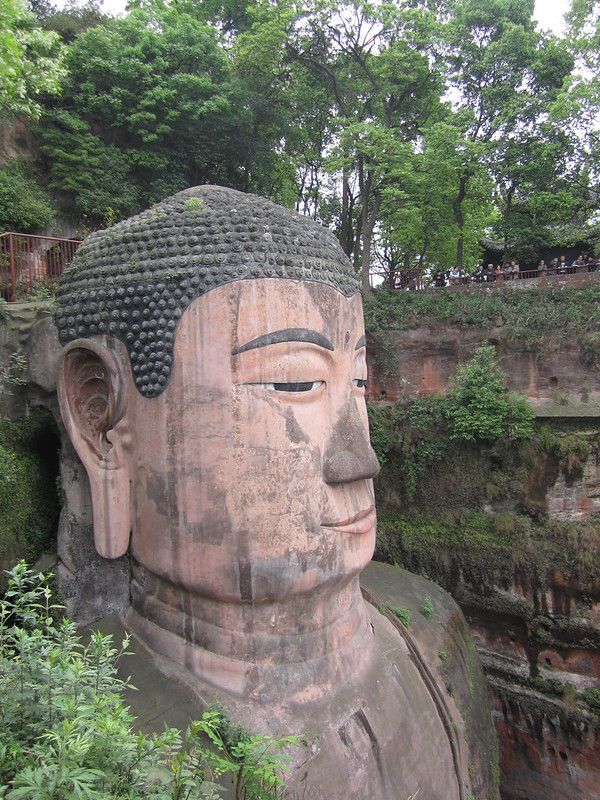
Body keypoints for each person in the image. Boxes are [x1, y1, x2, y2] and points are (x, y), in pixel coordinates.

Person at [54, 186, 489, 800]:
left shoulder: (432, 632)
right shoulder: (112, 759)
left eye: (358, 383)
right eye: (293, 381)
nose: (360, 458)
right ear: (103, 422)